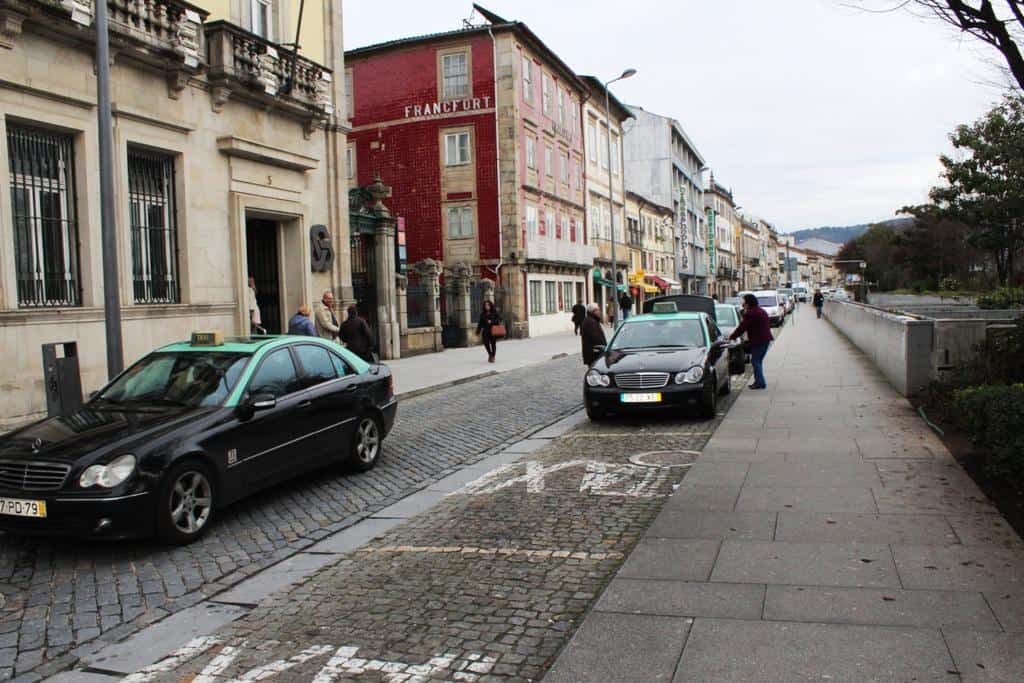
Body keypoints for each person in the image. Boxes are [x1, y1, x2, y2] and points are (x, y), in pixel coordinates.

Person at [729, 293, 774, 390]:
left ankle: (760, 382)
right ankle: (759, 381)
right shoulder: (760, 310)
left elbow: (742, 327)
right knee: (757, 361)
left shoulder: (751, 313)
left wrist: (732, 337)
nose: (743, 304)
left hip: (758, 340)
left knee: (755, 361)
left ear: (748, 303)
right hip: (764, 339)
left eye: (744, 302)